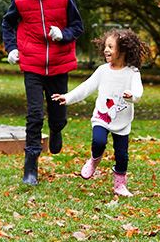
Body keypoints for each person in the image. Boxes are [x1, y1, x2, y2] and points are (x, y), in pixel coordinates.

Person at [1, 0, 84, 185]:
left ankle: (57, 129)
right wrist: (11, 49)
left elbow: (78, 27)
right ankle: (30, 168)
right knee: (35, 115)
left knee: (57, 114)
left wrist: (63, 34)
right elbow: (8, 24)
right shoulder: (18, 0)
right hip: (33, 64)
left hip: (59, 65)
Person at [52, 29, 144, 197]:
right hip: (102, 117)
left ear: (123, 50)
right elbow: (86, 87)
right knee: (99, 142)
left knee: (122, 154)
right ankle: (94, 160)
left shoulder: (132, 72)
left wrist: (133, 96)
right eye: (105, 46)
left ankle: (120, 184)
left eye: (111, 46)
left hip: (122, 121)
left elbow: (138, 91)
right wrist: (68, 97)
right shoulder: (103, 70)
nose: (106, 50)